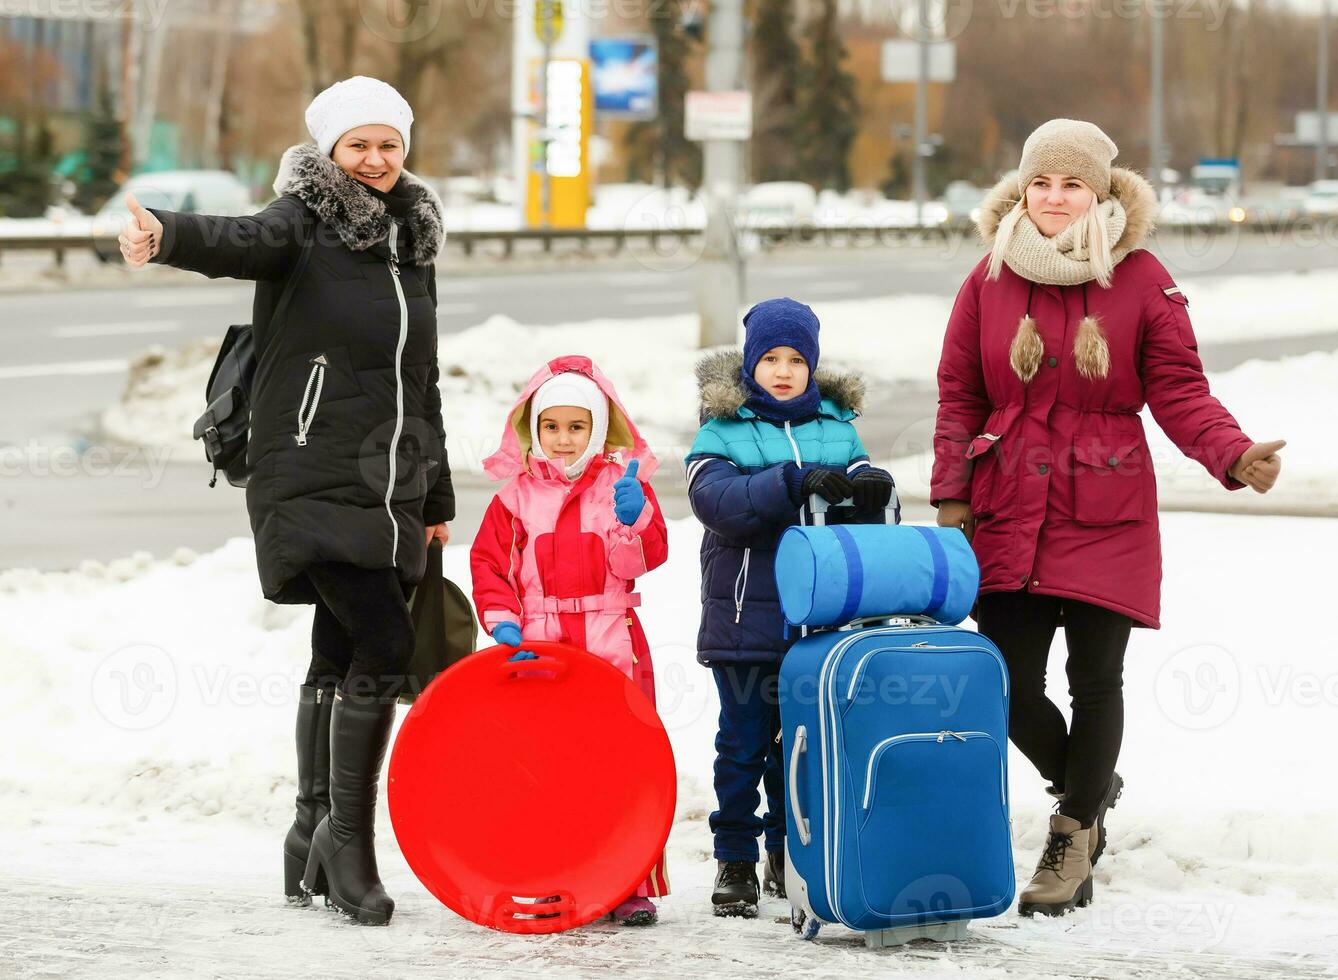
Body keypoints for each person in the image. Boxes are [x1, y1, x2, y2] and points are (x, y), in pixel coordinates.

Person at [119, 75, 452, 925]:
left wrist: (436, 490)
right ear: (329, 151)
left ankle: (308, 831)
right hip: (307, 468)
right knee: (381, 637)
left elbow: (422, 379)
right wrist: (166, 233)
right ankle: (348, 841)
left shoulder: (411, 239)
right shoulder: (299, 222)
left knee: (340, 649)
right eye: (358, 145)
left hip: (387, 485)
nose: (375, 160)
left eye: (388, 144)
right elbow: (237, 240)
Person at [930, 118, 1284, 917]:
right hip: (1006, 504)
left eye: (1072, 184)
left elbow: (1181, 390)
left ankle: (1073, 831)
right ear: (1021, 191)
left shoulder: (1142, 278)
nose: (1055, 200)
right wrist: (953, 493)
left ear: (1102, 191)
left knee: (1096, 683)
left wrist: (1230, 454)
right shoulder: (986, 278)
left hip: (1105, 504)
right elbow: (961, 395)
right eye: (1041, 184)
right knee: (1006, 684)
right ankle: (1090, 783)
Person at [684, 297, 896, 917]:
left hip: (819, 622)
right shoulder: (720, 429)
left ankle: (789, 851)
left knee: (802, 746)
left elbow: (864, 514)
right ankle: (735, 858)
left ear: (813, 366)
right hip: (746, 617)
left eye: (796, 360)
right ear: (751, 365)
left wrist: (870, 484)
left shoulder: (838, 428)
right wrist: (789, 482)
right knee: (743, 743)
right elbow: (716, 502)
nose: (783, 370)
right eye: (770, 358)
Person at [470, 355, 670, 926]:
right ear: (534, 428)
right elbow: (490, 566)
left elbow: (639, 561)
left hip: (611, 643)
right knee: (543, 768)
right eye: (551, 426)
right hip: (538, 650)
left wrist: (634, 521)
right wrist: (504, 621)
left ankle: (627, 880)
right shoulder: (515, 498)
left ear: (598, 428)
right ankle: (549, 872)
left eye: (577, 426)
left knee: (620, 764)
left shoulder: (623, 486)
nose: (563, 439)